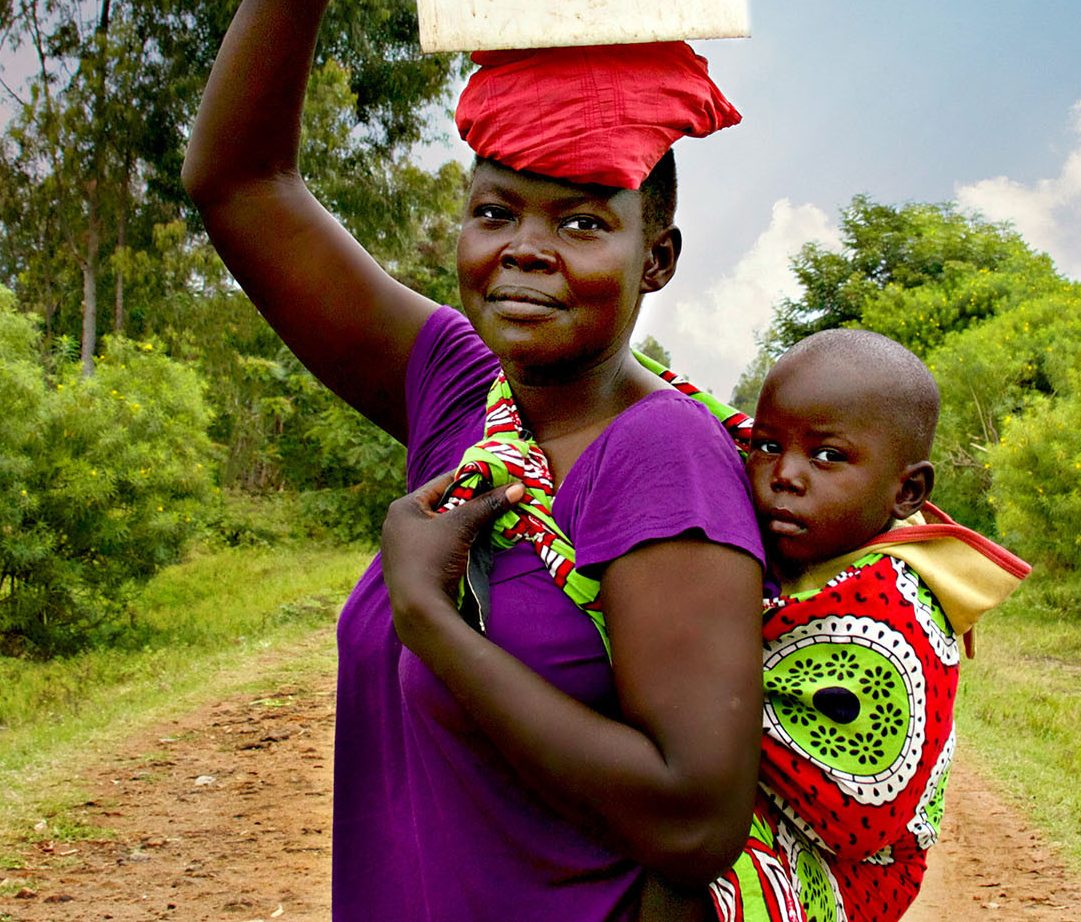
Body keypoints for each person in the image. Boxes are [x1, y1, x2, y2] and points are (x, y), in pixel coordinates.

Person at [182, 5, 765, 920]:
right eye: (495, 212)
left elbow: (695, 820)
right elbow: (241, 185)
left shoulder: (662, 452)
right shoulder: (462, 393)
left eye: (581, 223)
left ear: (657, 259)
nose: (524, 249)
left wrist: (429, 618)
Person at [707, 329, 1030, 922]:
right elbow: (695, 413)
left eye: (828, 456)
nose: (786, 475)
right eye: (768, 445)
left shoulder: (887, 600)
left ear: (907, 490)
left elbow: (857, 805)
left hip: (848, 874)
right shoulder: (822, 542)